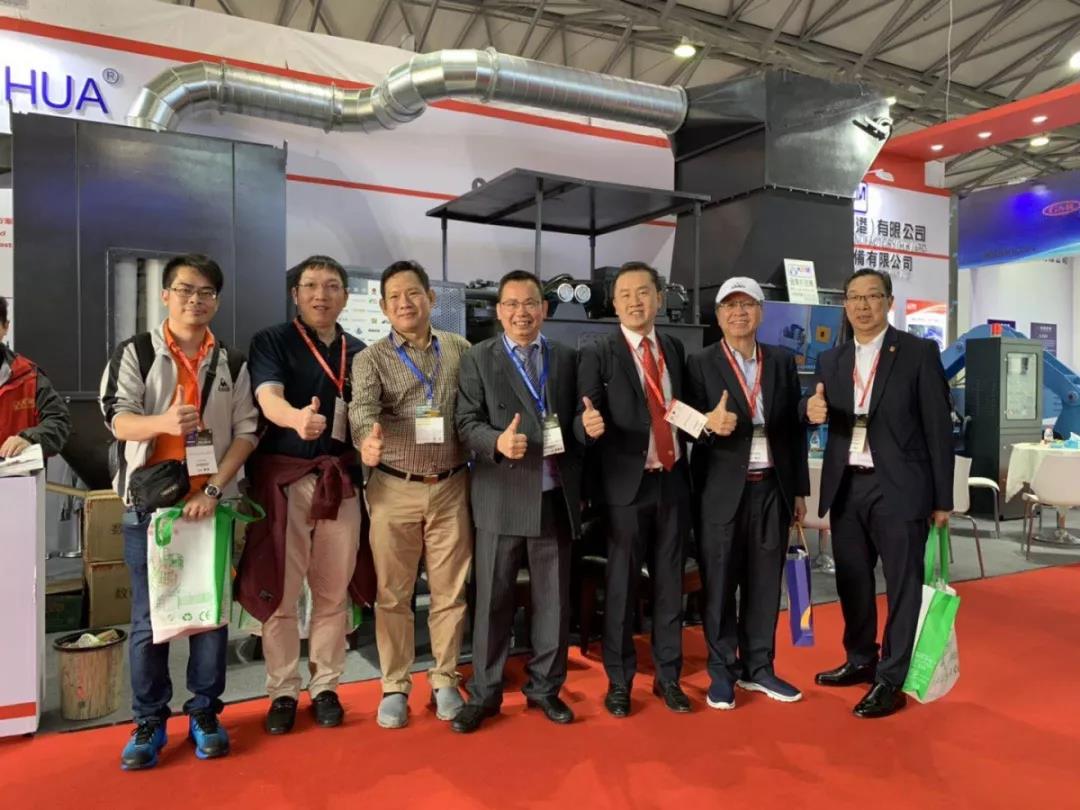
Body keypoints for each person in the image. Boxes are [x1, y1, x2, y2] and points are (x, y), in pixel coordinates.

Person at [99, 254, 259, 769]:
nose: (196, 300)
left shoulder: (232, 361)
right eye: (186, 290)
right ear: (165, 295)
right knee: (150, 620)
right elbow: (117, 420)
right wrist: (163, 422)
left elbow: (247, 433)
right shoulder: (137, 352)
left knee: (208, 615)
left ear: (217, 300)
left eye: (206, 292)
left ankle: (205, 711)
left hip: (208, 506)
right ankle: (149, 719)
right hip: (150, 509)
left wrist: (212, 490)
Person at [452, 269, 601, 733]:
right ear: (499, 311)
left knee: (552, 603)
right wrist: (496, 442)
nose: (522, 312)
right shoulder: (478, 358)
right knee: (491, 602)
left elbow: (573, 423)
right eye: (512, 304)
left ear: (545, 309)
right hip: (501, 495)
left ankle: (545, 689)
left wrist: (585, 428)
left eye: (530, 303)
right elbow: (465, 423)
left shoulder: (567, 357)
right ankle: (485, 693)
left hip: (554, 496)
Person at [802, 268, 954, 719]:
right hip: (847, 484)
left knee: (903, 584)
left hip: (900, 487)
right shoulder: (832, 359)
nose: (862, 306)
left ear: (889, 302)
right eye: (854, 297)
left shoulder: (917, 352)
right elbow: (811, 410)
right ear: (845, 305)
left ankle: (891, 678)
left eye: (872, 296)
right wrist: (809, 409)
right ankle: (860, 658)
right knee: (852, 579)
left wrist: (942, 498)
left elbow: (938, 428)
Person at [238, 255, 374, 736]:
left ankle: (326, 685)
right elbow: (267, 397)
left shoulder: (361, 351)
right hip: (286, 481)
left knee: (333, 590)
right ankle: (282, 690)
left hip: (342, 481)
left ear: (346, 296)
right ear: (295, 295)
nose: (322, 295)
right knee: (282, 589)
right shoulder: (272, 340)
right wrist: (295, 418)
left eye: (332, 286)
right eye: (311, 285)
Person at [350, 259, 473, 729]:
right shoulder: (370, 359)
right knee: (393, 594)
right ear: (383, 307)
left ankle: (445, 677)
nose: (405, 303)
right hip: (394, 488)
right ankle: (395, 684)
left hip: (451, 486)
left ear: (431, 298)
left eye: (413, 293)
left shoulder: (460, 348)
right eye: (395, 297)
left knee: (450, 592)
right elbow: (362, 409)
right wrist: (366, 440)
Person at [686, 277, 809, 711]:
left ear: (761, 312)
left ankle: (759, 667)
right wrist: (707, 423)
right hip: (720, 492)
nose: (739, 313)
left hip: (772, 489)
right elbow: (679, 418)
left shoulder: (781, 361)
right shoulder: (699, 363)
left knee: (764, 583)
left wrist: (798, 490)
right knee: (719, 584)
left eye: (747, 305)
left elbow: (792, 431)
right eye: (730, 306)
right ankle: (722, 672)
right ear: (718, 316)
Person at [577, 260, 694, 717]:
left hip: (673, 482)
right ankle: (619, 681)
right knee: (621, 588)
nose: (634, 301)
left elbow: (682, 410)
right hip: (626, 489)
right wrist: (586, 426)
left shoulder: (674, 349)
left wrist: (707, 425)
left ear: (658, 298)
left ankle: (669, 677)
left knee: (669, 586)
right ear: (613, 303)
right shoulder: (599, 351)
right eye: (624, 294)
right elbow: (584, 415)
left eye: (642, 292)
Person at [0, 295, 70, 459]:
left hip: (17, 473)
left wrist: (30, 438)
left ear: (5, 327)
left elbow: (59, 421)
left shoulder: (29, 376)